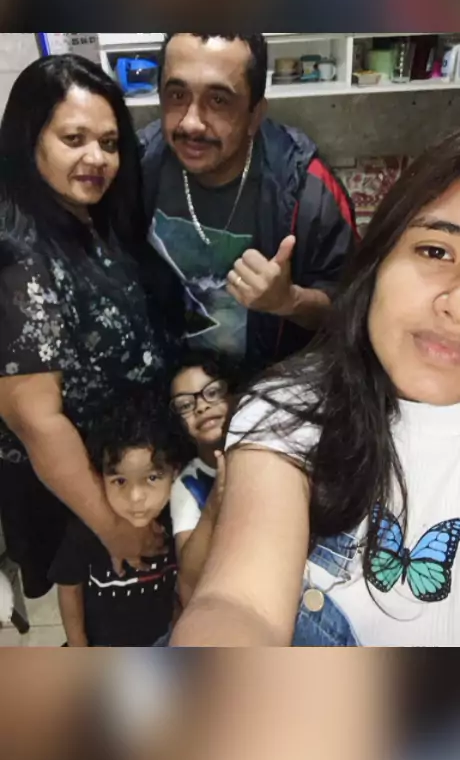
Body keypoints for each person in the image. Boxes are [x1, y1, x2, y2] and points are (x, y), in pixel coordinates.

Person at [171, 134, 460, 648]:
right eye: (436, 251)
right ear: (377, 262)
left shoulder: (302, 183)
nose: (455, 306)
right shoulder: (292, 411)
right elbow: (240, 602)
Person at [0, 54, 183, 599]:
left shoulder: (90, 219)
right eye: (73, 139)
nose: (96, 158)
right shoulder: (20, 255)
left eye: (108, 143)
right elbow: (36, 421)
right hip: (79, 498)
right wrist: (111, 526)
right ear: (30, 140)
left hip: (124, 474)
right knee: (102, 622)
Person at [141, 32, 356, 372]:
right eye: (177, 95)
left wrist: (289, 301)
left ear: (255, 114)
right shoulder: (137, 166)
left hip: (268, 385)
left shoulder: (309, 191)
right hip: (169, 380)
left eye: (219, 100)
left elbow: (353, 312)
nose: (191, 123)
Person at [49, 393, 186, 647]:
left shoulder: (179, 518)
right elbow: (69, 587)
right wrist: (77, 643)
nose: (135, 498)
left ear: (174, 472)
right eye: (120, 481)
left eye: (152, 478)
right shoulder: (85, 528)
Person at [170, 353, 237, 606]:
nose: (201, 407)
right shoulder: (188, 484)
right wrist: (212, 506)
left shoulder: (266, 451)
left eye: (213, 392)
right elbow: (189, 577)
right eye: (185, 405)